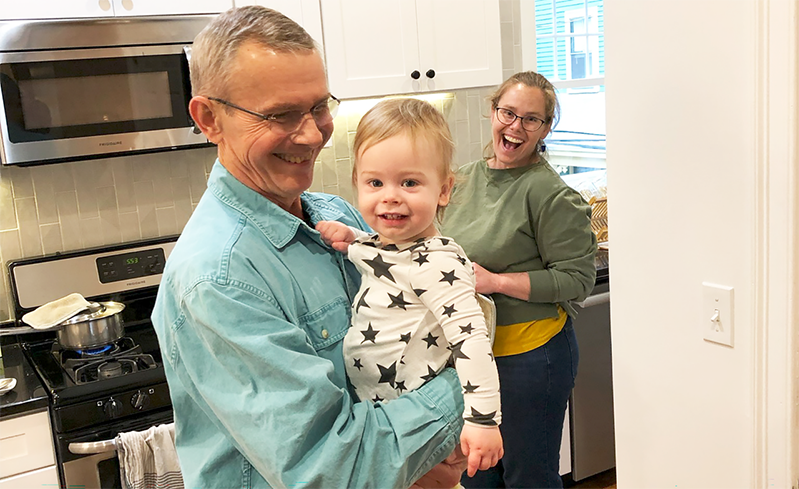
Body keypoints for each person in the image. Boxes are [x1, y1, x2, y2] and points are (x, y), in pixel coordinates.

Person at [151, 6, 467, 489]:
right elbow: (330, 469)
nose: (312, 132)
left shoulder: (335, 214)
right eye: (279, 114)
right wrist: (467, 389)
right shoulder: (219, 275)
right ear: (209, 118)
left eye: (319, 106)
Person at [316, 98, 504, 479]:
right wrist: (352, 237)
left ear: (444, 190)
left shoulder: (439, 265)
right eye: (375, 182)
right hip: (383, 418)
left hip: (420, 431)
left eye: (409, 182)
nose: (390, 195)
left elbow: (472, 340)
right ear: (357, 184)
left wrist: (483, 420)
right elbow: (386, 257)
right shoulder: (389, 246)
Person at [439, 71, 598, 489]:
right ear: (492, 111)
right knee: (476, 471)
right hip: (472, 355)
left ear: (545, 128)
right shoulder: (461, 180)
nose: (515, 127)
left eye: (531, 119)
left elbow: (577, 279)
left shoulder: (550, 195)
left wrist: (495, 281)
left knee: (528, 475)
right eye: (507, 113)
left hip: (532, 358)